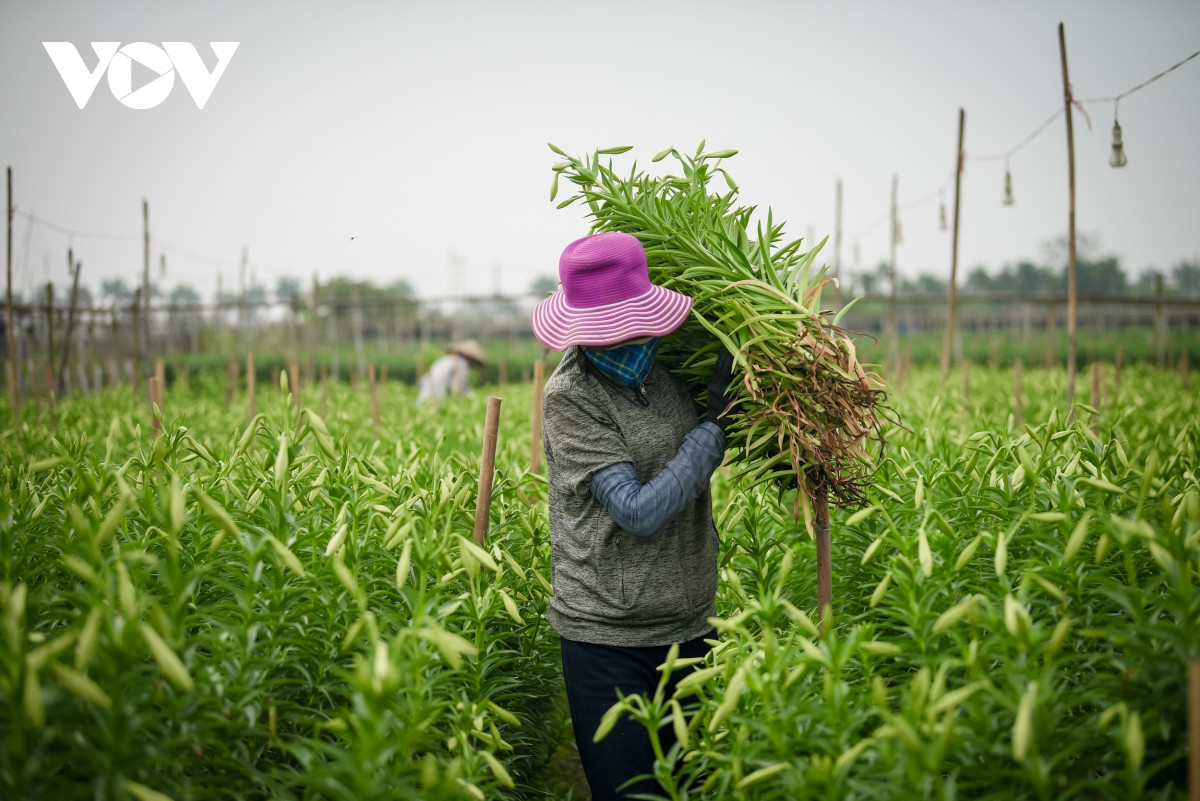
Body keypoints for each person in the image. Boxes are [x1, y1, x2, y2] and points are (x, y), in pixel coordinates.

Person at [531, 231, 737, 800]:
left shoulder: (670, 367)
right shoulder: (571, 395)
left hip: (691, 626)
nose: (623, 337)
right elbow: (637, 512)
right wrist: (712, 432)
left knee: (692, 789)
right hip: (607, 638)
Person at [416, 340, 488, 403]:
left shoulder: (446, 360)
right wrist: (473, 396)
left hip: (424, 399)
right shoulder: (461, 364)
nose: (472, 365)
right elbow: (459, 388)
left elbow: (422, 381)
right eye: (474, 361)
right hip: (436, 400)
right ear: (469, 357)